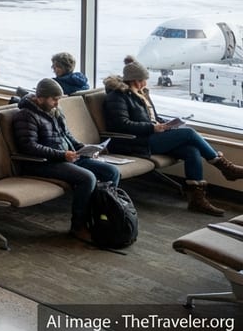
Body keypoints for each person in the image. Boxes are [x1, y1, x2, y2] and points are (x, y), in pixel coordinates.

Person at [104, 56, 243, 215]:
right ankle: (226, 168)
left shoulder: (142, 94)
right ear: (135, 79)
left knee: (191, 150)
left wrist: (166, 124)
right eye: (143, 79)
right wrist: (153, 127)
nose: (145, 83)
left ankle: (197, 200)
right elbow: (121, 125)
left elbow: (151, 117)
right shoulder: (117, 96)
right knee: (189, 133)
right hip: (135, 142)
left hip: (149, 136)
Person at [13, 77, 121, 241]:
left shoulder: (56, 111)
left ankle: (102, 214)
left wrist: (85, 148)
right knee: (87, 178)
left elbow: (67, 136)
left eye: (58, 99)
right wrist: (62, 155)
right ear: (40, 98)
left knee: (111, 172)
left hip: (67, 157)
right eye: (54, 99)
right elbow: (29, 147)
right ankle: (78, 225)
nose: (57, 103)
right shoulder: (25, 116)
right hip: (42, 163)